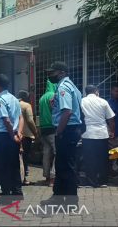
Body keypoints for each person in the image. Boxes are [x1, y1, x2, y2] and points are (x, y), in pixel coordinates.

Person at [41, 61, 82, 207]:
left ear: (62, 73)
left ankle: (71, 202)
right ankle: (58, 197)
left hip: (66, 130)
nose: (50, 75)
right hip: (72, 129)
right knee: (62, 165)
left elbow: (67, 112)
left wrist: (59, 132)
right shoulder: (72, 86)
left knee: (66, 166)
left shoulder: (63, 87)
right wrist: (55, 104)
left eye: (53, 72)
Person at [0, 74, 24, 202]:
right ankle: (17, 191)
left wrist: (12, 136)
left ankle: (5, 193)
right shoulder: (14, 98)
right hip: (15, 133)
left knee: (3, 165)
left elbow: (6, 120)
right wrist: (19, 134)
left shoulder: (0, 100)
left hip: (5, 135)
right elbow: (21, 118)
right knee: (14, 164)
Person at [81, 85, 115, 188]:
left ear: (86, 92)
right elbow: (111, 118)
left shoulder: (82, 101)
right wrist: (112, 131)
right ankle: (103, 181)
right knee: (102, 158)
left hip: (88, 133)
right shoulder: (103, 101)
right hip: (102, 133)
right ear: (96, 91)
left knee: (89, 159)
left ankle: (91, 182)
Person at [17, 90, 38, 186]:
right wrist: (35, 132)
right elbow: (30, 120)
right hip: (26, 135)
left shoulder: (14, 104)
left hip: (15, 134)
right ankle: (24, 178)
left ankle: (16, 177)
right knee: (24, 158)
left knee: (17, 157)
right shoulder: (26, 106)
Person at [39, 80, 57, 187]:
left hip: (43, 128)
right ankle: (53, 178)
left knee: (46, 153)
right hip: (52, 127)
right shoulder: (53, 96)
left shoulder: (42, 98)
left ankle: (46, 177)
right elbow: (54, 110)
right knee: (57, 152)